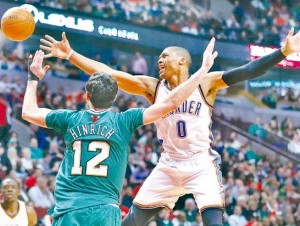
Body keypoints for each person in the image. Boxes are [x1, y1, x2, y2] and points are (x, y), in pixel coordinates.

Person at [40, 28, 300, 226]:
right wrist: (71, 55)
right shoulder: (152, 86)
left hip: (201, 164)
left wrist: (283, 52)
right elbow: (109, 73)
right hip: (169, 164)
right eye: (159, 58)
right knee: (131, 222)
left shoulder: (206, 82)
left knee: (213, 220)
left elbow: (247, 71)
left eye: (165, 56)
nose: (160, 61)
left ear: (182, 61)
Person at [22, 38, 216, 226]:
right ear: (115, 97)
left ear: (87, 96)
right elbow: (172, 102)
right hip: (106, 210)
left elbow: (28, 112)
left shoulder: (68, 119)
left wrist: (33, 79)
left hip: (69, 209)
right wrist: (203, 70)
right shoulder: (124, 120)